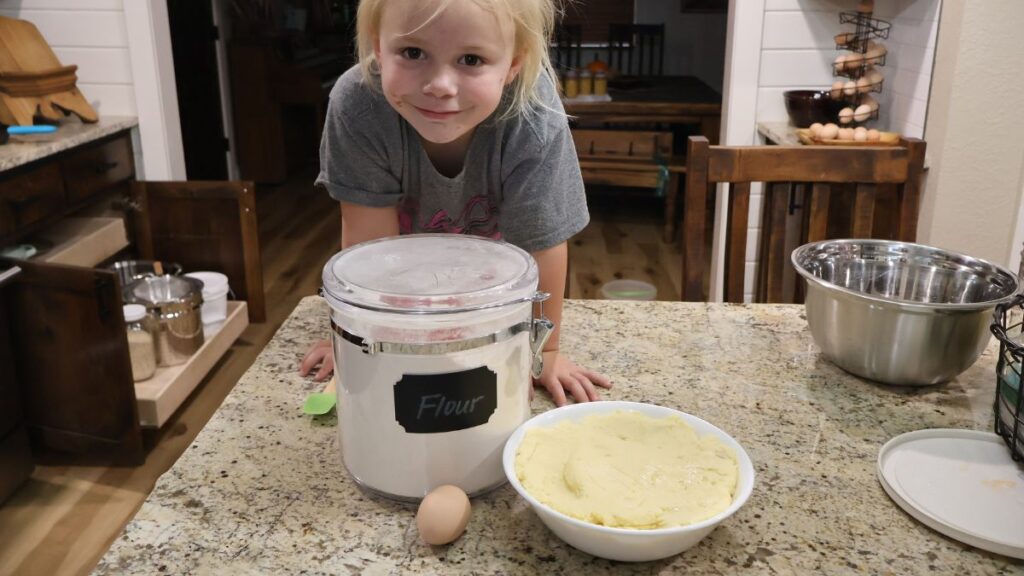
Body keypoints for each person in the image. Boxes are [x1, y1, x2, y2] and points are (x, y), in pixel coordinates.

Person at [298, 0, 611, 405]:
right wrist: (359, 340)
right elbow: (370, 250)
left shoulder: (534, 114)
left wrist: (544, 350)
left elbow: (542, 246)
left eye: (471, 59)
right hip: (400, 282)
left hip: (493, 288)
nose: (440, 85)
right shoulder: (359, 104)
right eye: (413, 52)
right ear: (378, 47)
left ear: (513, 65)